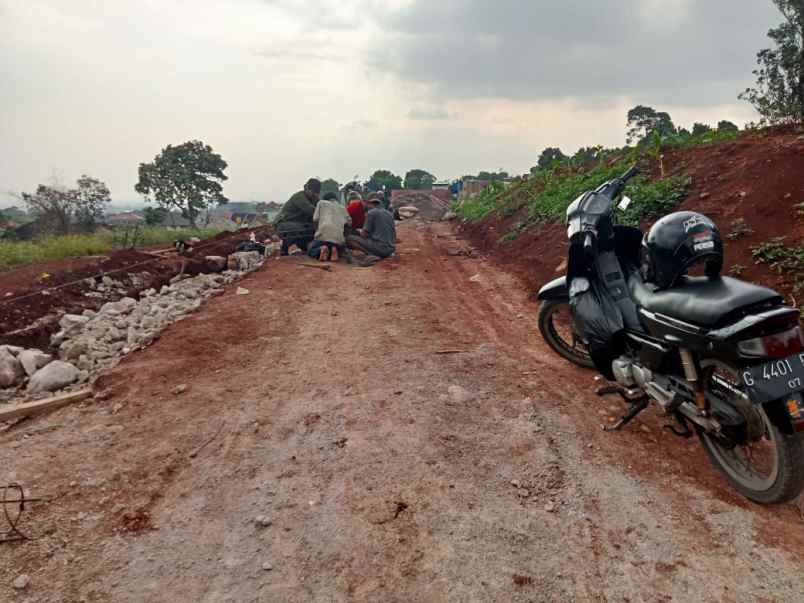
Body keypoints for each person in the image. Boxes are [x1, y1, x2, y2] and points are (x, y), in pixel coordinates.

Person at [273, 178, 321, 255]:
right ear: (306, 189)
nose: (314, 194)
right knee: (295, 228)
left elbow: (320, 209)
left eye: (316, 193)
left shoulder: (315, 199)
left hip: (300, 225)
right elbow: (311, 210)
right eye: (313, 192)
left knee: (313, 229)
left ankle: (292, 249)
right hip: (283, 223)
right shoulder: (299, 197)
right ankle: (292, 247)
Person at [308, 192, 350, 262]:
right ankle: (334, 250)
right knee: (340, 249)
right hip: (338, 241)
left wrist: (317, 232)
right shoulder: (342, 207)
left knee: (310, 249)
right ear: (336, 199)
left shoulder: (321, 203)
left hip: (323, 239)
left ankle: (321, 249)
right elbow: (349, 224)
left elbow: (315, 220)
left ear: (325, 199)